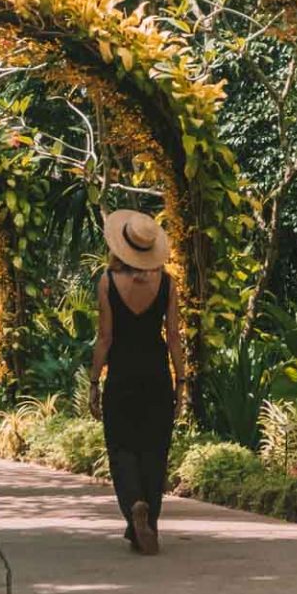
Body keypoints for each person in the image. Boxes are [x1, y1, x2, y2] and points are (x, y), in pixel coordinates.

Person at [88, 210, 187, 554]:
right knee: (154, 450)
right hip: (157, 375)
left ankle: (134, 508)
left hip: (122, 376)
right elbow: (174, 337)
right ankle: (150, 527)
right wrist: (182, 383)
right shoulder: (168, 283)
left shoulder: (107, 282)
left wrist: (93, 382)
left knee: (121, 448)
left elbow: (104, 338)